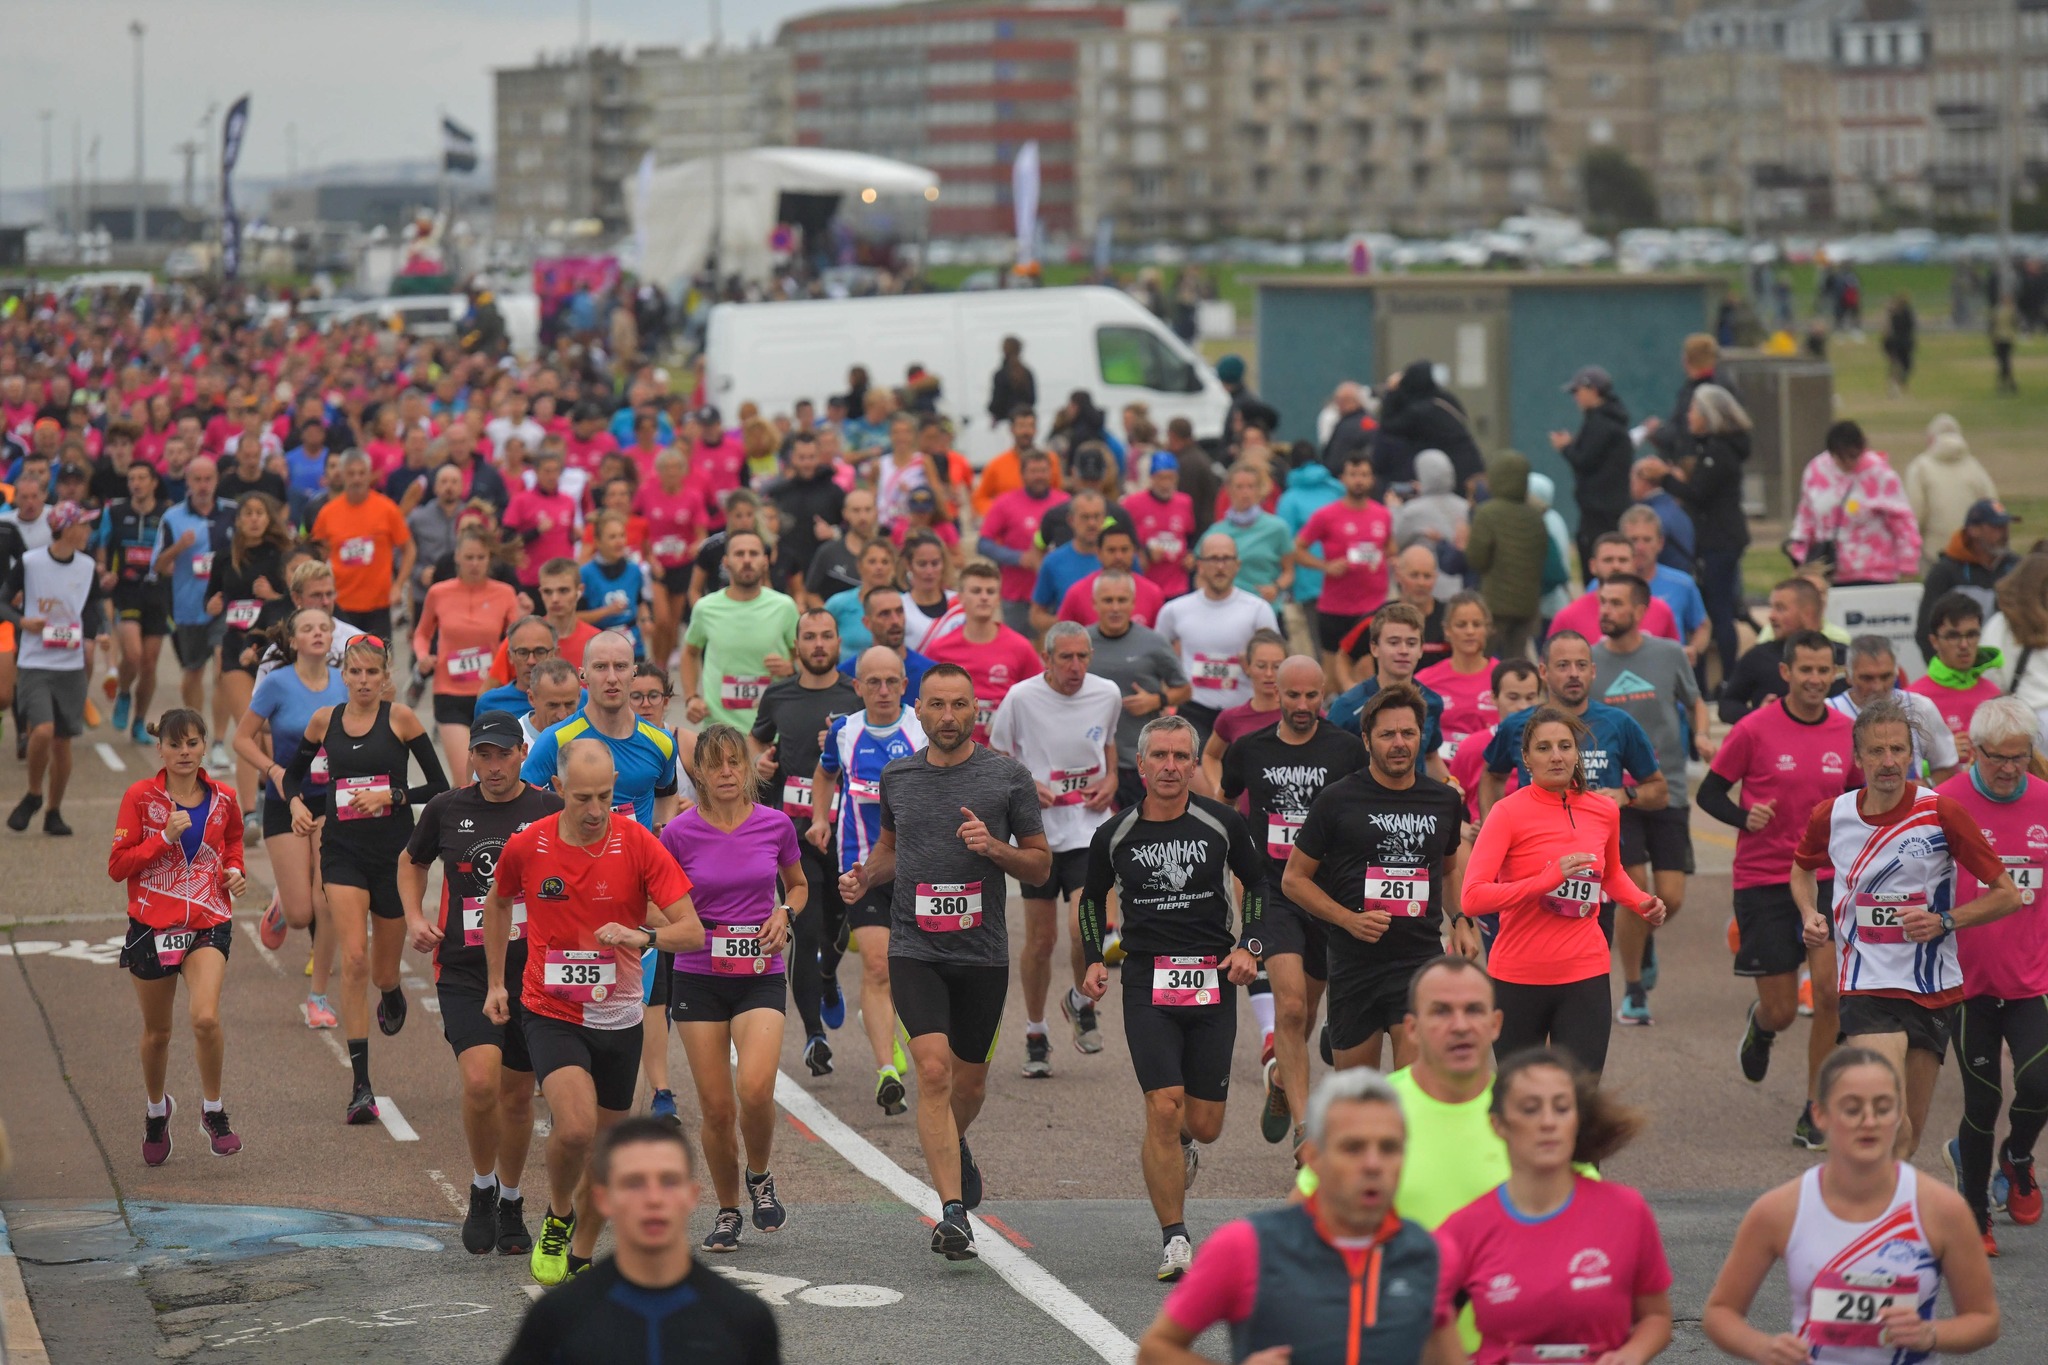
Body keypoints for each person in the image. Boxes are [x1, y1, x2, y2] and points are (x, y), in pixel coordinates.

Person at [841, 665, 1050, 1258]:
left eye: (960, 705)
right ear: (920, 711)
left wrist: (995, 849)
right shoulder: (898, 775)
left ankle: (952, 1141)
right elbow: (888, 850)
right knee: (931, 1072)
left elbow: (1040, 866)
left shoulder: (1007, 779)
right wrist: (862, 878)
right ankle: (953, 1213)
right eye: (937, 705)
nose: (949, 717)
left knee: (970, 1082)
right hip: (916, 947)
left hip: (981, 953)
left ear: (976, 710)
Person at [482, 739, 700, 1285]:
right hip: (550, 1009)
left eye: (605, 796)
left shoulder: (639, 842)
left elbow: (692, 931)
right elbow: (499, 902)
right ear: (558, 790)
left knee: (606, 1157)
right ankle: (556, 1214)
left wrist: (642, 934)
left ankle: (579, 1252)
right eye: (583, 797)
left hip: (621, 1017)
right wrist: (493, 982)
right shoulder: (527, 845)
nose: (596, 810)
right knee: (575, 1129)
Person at [1079, 715, 1265, 1281]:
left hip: (1211, 980)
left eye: (1181, 757)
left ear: (1192, 763)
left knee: (1202, 1124)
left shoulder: (1223, 822)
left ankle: (1186, 1141)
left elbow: (1260, 885)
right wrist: (1092, 956)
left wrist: (1249, 946)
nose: (1170, 767)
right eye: (1159, 756)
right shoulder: (1115, 833)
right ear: (1141, 764)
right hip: (1146, 981)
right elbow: (1091, 899)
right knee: (1162, 1105)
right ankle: (1175, 1237)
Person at [1792, 698, 2020, 1159]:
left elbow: (2007, 893)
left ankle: (1889, 1220)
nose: (1888, 761)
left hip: (1932, 986)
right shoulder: (1832, 816)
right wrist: (1808, 914)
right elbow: (1801, 870)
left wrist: (1945, 920)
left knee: (1907, 1138)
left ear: (1911, 754)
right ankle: (1863, 1218)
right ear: (1857, 758)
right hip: (1865, 983)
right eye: (1876, 751)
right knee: (1889, 1113)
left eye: (1898, 749)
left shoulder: (1941, 813)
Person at [1138, 1069, 1461, 1365]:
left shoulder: (1430, 1253)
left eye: (1389, 1148)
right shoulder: (1246, 1247)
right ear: (1312, 1157)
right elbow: (1155, 1351)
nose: (1373, 1164)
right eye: (1353, 1148)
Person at [1703, 1047, 2001, 1360]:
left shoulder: (1941, 1209)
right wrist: (1764, 1348)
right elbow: (1720, 1312)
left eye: (1883, 1108)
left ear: (1900, 1114)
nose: (1869, 1121)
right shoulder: (1780, 1210)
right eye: (1852, 1109)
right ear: (1819, 1114)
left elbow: (1985, 1320)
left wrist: (1931, 1333)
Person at [398, 711, 560, 1256]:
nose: (493, 766)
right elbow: (411, 862)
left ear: (521, 754)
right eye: (483, 755)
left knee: (517, 1098)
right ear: (470, 757)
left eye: (503, 754)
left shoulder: (547, 809)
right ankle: (482, 1185)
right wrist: (416, 918)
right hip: (465, 970)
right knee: (481, 1082)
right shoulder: (447, 808)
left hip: (533, 973)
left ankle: (511, 1202)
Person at [282, 636, 450, 1123]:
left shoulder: (401, 719)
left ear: (384, 677)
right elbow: (293, 777)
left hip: (395, 858)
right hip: (342, 853)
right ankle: (361, 1086)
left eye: (370, 674)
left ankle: (392, 990)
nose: (361, 681)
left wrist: (392, 797)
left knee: (381, 971)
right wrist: (296, 804)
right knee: (353, 959)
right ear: (343, 675)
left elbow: (438, 787)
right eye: (353, 673)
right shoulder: (324, 722)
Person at [1698, 630, 1855, 1147]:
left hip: (1826, 877)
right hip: (1764, 877)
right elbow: (1709, 792)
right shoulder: (1753, 729)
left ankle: (1817, 1107)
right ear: (1785, 673)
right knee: (1785, 1009)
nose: (1815, 679)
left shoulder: (1845, 730)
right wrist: (1746, 817)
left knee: (1830, 994)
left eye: (1824, 670)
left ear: (1835, 674)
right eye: (1805, 670)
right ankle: (1762, 1025)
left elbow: (1859, 799)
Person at [658, 724, 807, 1253]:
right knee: (718, 1109)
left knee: (756, 1088)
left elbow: (798, 883)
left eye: (734, 763)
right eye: (714, 763)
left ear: (747, 770)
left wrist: (783, 913)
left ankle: (760, 1178)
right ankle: (726, 1211)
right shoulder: (677, 833)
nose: (725, 772)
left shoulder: (775, 825)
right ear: (697, 772)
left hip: (759, 974)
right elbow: (658, 899)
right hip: (698, 976)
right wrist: (669, 928)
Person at [1434, 1048, 1675, 1365]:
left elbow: (1656, 1318)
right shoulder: (1465, 1228)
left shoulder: (1626, 1210)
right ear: (1498, 1125)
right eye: (1531, 1109)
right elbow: (1427, 1321)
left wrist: (1631, 1354)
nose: (1548, 1122)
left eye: (1561, 1109)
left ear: (1577, 1120)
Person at [1282, 678, 1467, 1085]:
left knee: (1412, 1095)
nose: (1399, 743)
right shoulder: (1336, 800)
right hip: (1355, 965)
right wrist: (1347, 919)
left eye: (1408, 733)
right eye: (1387, 734)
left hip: (1418, 963)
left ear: (1422, 737)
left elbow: (1450, 870)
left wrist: (1461, 918)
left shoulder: (1444, 801)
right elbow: (1294, 880)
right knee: (1360, 1099)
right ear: (1366, 740)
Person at [1466, 706, 1668, 1076]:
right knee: (1522, 1099)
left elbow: (1612, 874)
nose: (1556, 756)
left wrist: (1643, 902)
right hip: (1518, 975)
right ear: (1526, 758)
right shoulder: (1506, 813)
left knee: (1580, 1099)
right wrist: (1545, 881)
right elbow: (1473, 897)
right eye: (1544, 748)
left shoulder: (1604, 810)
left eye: (1564, 746)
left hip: (1584, 971)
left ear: (1577, 753)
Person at [499, 1118, 783, 1365]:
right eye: (634, 1183)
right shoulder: (556, 1320)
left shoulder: (744, 1320)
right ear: (603, 1199)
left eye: (669, 1181)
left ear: (692, 1195)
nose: (653, 1199)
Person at [109, 709, 249, 1164]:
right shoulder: (140, 797)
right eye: (175, 745)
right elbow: (117, 866)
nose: (184, 752)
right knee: (158, 1033)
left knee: (205, 1018)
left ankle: (213, 1109)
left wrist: (234, 872)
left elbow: (233, 844)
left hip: (208, 921)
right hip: (152, 926)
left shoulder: (224, 798)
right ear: (161, 750)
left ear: (205, 745)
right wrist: (162, 839)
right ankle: (157, 1110)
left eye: (192, 743)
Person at [1935, 697, 2048, 1249]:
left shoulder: (2046, 803)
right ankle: (1974, 1209)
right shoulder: (1944, 803)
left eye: (2020, 758)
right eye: (1997, 757)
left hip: (2031, 981)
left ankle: (2019, 1155)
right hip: (1966, 982)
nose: (2008, 769)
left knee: (2039, 1084)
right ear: (1973, 751)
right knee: (1982, 1101)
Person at [988, 621, 1122, 1071]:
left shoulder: (1107, 694)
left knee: (1084, 925)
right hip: (1038, 834)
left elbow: (1109, 745)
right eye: (1066, 657)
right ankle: (1035, 1030)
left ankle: (1080, 1000)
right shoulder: (1021, 698)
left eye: (1083, 656)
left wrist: (1112, 780)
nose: (1076, 666)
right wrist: (1025, 784)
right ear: (1047, 659)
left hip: (1088, 829)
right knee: (1041, 943)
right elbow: (998, 755)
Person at [1593, 572, 1713, 1025]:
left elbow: (1696, 701)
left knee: (1671, 896)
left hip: (1667, 789)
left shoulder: (1667, 655)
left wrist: (1701, 733)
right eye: (1603, 601)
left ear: (1640, 611)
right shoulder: (1588, 662)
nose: (1606, 610)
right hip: (1611, 797)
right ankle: (1634, 988)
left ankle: (1644, 943)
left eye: (1616, 603)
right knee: (1634, 895)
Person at [812, 646, 927, 1117]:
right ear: (857, 687)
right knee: (878, 965)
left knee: (911, 968)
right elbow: (824, 775)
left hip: (919, 867)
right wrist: (820, 817)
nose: (883, 690)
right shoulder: (844, 731)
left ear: (905, 685)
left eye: (892, 682)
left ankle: (889, 1023)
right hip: (861, 867)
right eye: (872, 682)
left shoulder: (922, 729)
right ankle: (886, 1071)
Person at [750, 609, 861, 1078]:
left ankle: (829, 974)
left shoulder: (855, 694)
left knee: (843, 927)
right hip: (792, 832)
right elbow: (757, 742)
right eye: (809, 637)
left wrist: (843, 741)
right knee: (806, 929)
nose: (818, 644)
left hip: (848, 831)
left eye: (826, 636)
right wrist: (761, 765)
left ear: (839, 642)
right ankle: (815, 1036)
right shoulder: (778, 694)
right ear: (797, 645)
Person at [239, 608, 348, 1027]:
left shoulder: (346, 682)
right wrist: (274, 771)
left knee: (330, 902)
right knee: (303, 914)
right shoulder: (278, 683)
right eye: (308, 628)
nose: (317, 634)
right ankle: (285, 900)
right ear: (294, 639)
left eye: (324, 628)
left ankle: (318, 998)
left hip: (333, 802)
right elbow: (241, 738)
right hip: (287, 798)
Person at [4, 502, 105, 836]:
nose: (89, 533)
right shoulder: (31, 563)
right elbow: (3, 600)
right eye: (85, 526)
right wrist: (22, 621)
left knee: (62, 742)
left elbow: (91, 607)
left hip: (71, 664)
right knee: (42, 730)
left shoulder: (88, 565)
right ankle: (34, 792)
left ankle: (54, 810)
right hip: (35, 661)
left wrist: (96, 634)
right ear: (67, 528)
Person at [522, 631, 681, 833]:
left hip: (635, 862)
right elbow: (521, 804)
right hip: (577, 860)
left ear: (633, 673)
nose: (612, 678)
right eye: (600, 667)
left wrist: (661, 834)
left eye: (620, 666)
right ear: (583, 674)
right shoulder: (556, 739)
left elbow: (667, 792)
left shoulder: (662, 742)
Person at [413, 525, 521, 786]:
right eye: (469, 557)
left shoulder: (505, 593)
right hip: (449, 693)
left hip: (490, 692)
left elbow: (518, 638)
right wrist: (423, 656)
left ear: (489, 559)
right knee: (466, 779)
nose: (475, 563)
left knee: (493, 777)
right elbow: (422, 634)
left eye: (481, 557)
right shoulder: (438, 592)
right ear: (457, 558)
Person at [1156, 534, 1280, 748]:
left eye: (1226, 559)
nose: (1220, 566)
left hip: (1244, 710)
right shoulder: (1174, 610)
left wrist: (1251, 661)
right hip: (1194, 708)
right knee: (1194, 773)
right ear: (1200, 565)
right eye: (1213, 559)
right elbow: (1155, 658)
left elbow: (1277, 661)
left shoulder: (1258, 609)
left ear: (1237, 565)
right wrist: (1163, 699)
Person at [154, 457, 238, 768]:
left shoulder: (232, 512)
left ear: (216, 480)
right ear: (188, 482)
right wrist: (179, 548)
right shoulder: (173, 517)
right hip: (189, 609)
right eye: (197, 479)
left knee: (222, 671)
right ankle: (196, 735)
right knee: (192, 673)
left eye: (208, 479)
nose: (203, 485)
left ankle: (218, 742)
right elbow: (159, 567)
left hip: (224, 607)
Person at [1087, 571, 1191, 810]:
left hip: (1140, 760)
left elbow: (1184, 690)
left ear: (1133, 603)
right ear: (1095, 604)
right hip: (1093, 761)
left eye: (1122, 600)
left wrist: (1157, 700)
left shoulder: (1153, 642)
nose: (1115, 607)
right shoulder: (1082, 644)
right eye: (1108, 600)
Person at [1295, 451, 1393, 693]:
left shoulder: (1382, 514)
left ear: (1372, 480)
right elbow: (1298, 549)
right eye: (1353, 474)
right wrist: (1325, 566)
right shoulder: (1326, 515)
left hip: (1372, 606)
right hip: (1336, 608)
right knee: (1332, 677)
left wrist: (1387, 560)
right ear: (1342, 479)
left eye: (1364, 475)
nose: (1358, 480)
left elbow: (1390, 548)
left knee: (1369, 672)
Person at [683, 531, 799, 734]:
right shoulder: (706, 608)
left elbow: (802, 656)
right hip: (720, 729)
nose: (746, 560)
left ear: (765, 561)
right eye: (739, 554)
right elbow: (689, 653)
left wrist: (791, 667)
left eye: (753, 554)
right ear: (726, 562)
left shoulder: (785, 606)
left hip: (772, 730)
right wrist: (691, 697)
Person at [920, 561, 1041, 744]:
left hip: (1005, 753)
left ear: (998, 598)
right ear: (960, 597)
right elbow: (926, 703)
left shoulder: (1021, 647)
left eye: (990, 592)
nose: (984, 597)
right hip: (952, 751)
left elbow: (1038, 698)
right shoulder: (939, 649)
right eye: (976, 591)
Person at [1789, 421, 1921, 586]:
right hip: (1828, 572)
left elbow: (1903, 520)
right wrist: (1798, 555)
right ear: (1832, 454)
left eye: (1854, 456)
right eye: (1843, 458)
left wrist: (1908, 564)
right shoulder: (1815, 471)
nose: (1850, 463)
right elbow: (1806, 517)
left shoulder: (1879, 473)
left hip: (1876, 573)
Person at [1325, 606, 1447, 783]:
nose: (1403, 650)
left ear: (1421, 649)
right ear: (1374, 648)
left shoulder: (1432, 702)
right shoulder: (1347, 706)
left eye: (1411, 643)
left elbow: (1430, 757)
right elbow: (1329, 763)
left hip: (1415, 804)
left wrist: (1450, 784)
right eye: (1394, 642)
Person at [97, 461, 173, 743]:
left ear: (154, 482)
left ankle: (140, 722)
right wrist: (104, 570)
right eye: (132, 479)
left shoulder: (167, 513)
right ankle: (124, 693)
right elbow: (102, 546)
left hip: (157, 591)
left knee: (150, 664)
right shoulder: (115, 511)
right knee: (133, 655)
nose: (136, 483)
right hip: (125, 590)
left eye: (142, 477)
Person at [1828, 635, 1959, 782]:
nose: (1877, 687)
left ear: (1897, 672)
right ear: (1848, 675)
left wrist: (1926, 785)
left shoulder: (1919, 707)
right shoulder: (1829, 712)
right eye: (1867, 678)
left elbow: (1948, 765)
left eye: (1885, 677)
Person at [311, 450, 415, 636]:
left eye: (362, 473)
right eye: (351, 473)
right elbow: (315, 556)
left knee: (379, 661)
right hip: (341, 604)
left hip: (379, 605)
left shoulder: (387, 509)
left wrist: (399, 585)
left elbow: (409, 549)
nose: (357, 479)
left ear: (369, 475)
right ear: (342, 475)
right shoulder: (327, 513)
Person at [1462, 450, 1551, 661]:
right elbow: (1542, 557)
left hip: (1494, 605)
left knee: (1480, 660)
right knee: (1516, 663)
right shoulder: (1535, 516)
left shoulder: (1487, 513)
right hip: (1528, 606)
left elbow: (1476, 559)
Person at [1720, 577, 1844, 722]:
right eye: (1805, 669)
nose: (1771, 616)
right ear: (1784, 671)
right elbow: (1727, 705)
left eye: (1780, 608)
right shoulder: (1758, 657)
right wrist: (1760, 715)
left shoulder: (1842, 656)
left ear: (1807, 613)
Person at [1550, 366, 1636, 567]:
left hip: (1601, 511)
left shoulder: (1601, 423)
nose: (1575, 397)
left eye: (1577, 391)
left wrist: (1565, 447)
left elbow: (1584, 460)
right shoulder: (1606, 420)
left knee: (1600, 563)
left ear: (1593, 390)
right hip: (1603, 508)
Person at [976, 448, 1068, 636]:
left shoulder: (1065, 503)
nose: (1039, 476)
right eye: (1033, 471)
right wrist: (1020, 558)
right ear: (1022, 474)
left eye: (1043, 471)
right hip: (1016, 595)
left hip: (1055, 594)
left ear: (1051, 473)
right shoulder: (1004, 503)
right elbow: (983, 543)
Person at [1917, 498, 2018, 661]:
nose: (2005, 532)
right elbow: (1925, 631)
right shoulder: (1945, 572)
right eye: (1996, 527)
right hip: (1957, 670)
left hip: (2007, 666)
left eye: (2005, 526)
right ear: (1973, 530)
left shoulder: (2017, 567)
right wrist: (1943, 675)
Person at [1909, 592, 2003, 766]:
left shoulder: (1994, 694)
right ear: (1934, 641)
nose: (1964, 645)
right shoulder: (1913, 698)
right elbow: (1902, 765)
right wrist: (1945, 754)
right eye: (1953, 636)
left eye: (1972, 634)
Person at [1547, 533, 1681, 646]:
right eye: (1608, 560)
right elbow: (1549, 670)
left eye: (1623, 560)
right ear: (1593, 566)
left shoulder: (1661, 611)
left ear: (1634, 564)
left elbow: (1672, 663)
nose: (1616, 566)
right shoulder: (1568, 618)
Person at [1618, 505, 1711, 667]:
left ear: (1660, 543)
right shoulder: (1603, 588)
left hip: (1668, 674)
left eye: (1647, 540)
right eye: (1633, 540)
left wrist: (1693, 650)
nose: (1640, 547)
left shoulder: (1682, 583)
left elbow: (1703, 626)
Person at [1199, 628, 1288, 795]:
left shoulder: (1303, 714)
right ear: (1247, 666)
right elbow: (1210, 756)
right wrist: (1221, 791)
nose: (1269, 674)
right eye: (1261, 666)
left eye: (1277, 666)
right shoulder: (1231, 718)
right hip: (1245, 817)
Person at [487, 558, 601, 686]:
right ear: (540, 592)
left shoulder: (597, 642)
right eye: (548, 591)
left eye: (563, 591)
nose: (555, 599)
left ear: (579, 590)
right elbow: (487, 695)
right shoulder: (520, 638)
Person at [1415, 592, 1496, 761]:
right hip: (1440, 775)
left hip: (1491, 772)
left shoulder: (1504, 677)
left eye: (1477, 624)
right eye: (1461, 625)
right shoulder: (1425, 680)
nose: (1470, 631)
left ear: (1487, 629)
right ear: (1447, 630)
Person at [1057, 524, 1168, 629]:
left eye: (1124, 550)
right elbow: (1063, 636)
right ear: (1099, 553)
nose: (1118, 556)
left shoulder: (1153, 593)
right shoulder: (1077, 593)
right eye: (1111, 550)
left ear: (1134, 552)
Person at [1030, 487, 1108, 635]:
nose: (1092, 523)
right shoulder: (1053, 562)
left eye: (1097, 516)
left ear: (1104, 519)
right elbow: (1036, 615)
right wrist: (1065, 622)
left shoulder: (1121, 558)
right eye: (1085, 517)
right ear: (1071, 520)